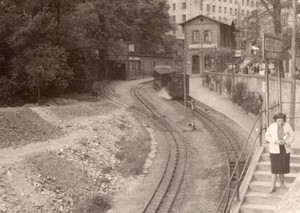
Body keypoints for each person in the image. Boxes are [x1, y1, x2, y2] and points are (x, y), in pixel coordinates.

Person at [265, 113, 295, 193]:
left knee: (282, 168)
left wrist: (287, 142)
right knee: (274, 169)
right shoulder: (271, 127)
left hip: (284, 150)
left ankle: (282, 185)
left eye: (282, 121)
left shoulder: (287, 126)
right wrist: (276, 141)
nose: (280, 122)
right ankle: (272, 186)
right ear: (275, 121)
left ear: (284, 120)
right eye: (278, 121)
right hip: (274, 150)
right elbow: (266, 136)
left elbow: (293, 136)